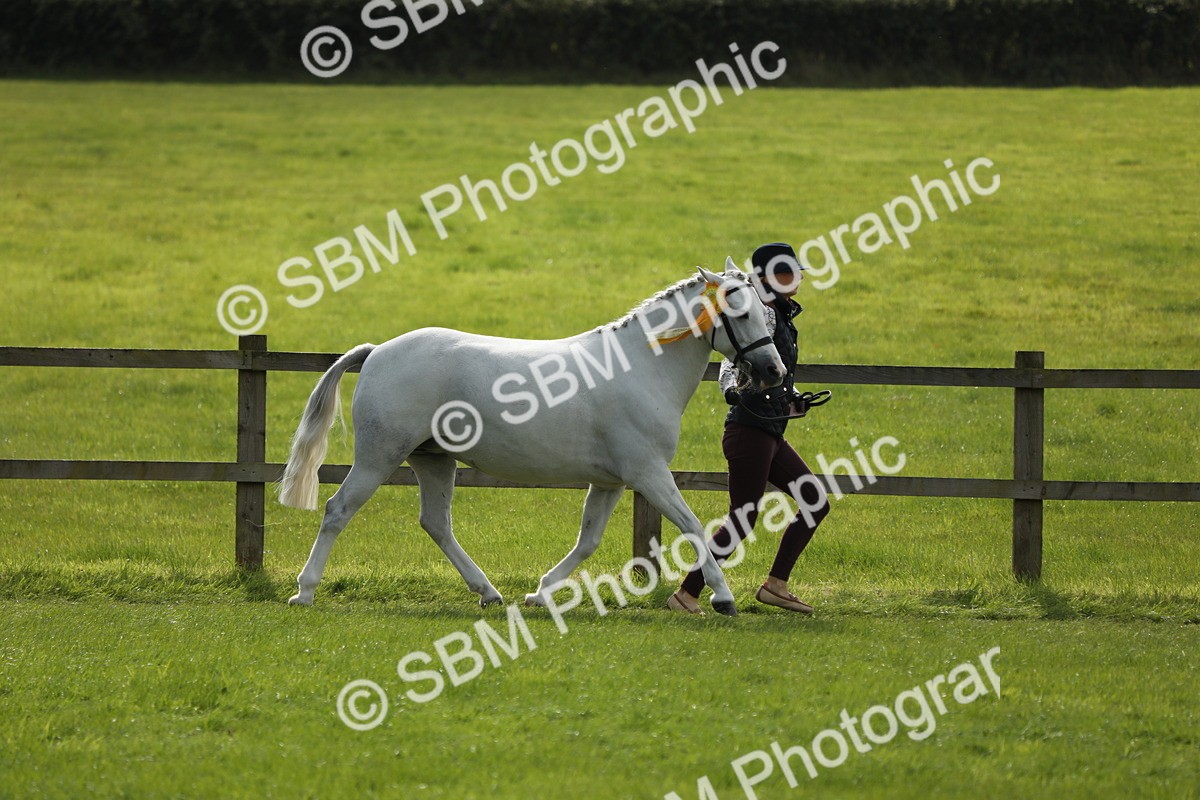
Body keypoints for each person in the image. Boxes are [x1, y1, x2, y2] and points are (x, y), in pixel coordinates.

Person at [667, 242, 830, 615]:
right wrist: (730, 391)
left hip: (770, 432)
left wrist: (793, 400)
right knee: (743, 518)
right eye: (788, 273)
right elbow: (730, 362)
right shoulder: (762, 314)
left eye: (797, 272)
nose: (797, 279)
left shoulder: (781, 314)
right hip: (749, 433)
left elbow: (770, 370)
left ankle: (776, 585)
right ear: (767, 278)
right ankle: (685, 594)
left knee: (814, 502)